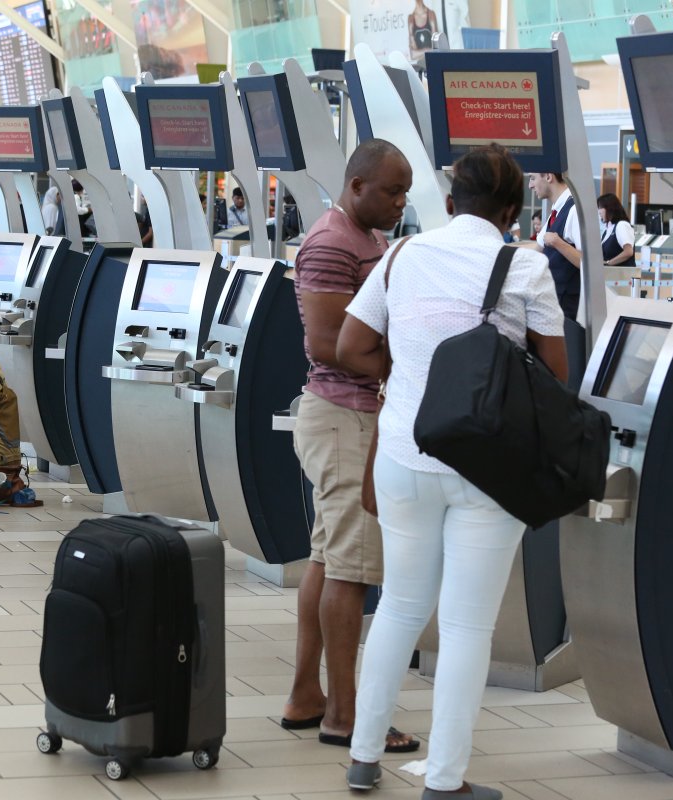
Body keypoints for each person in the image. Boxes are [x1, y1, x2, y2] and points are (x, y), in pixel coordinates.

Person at [337, 144, 568, 800]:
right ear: (513, 211)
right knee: (467, 625)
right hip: (487, 467)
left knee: (401, 607)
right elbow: (556, 376)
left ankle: (361, 759)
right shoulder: (525, 266)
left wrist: (410, 378)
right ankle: (444, 781)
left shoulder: (403, 257)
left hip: (405, 454)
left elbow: (351, 345)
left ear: (447, 202)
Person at [283, 139, 419, 756]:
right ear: (357, 185)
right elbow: (327, 341)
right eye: (392, 190)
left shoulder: (367, 241)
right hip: (347, 419)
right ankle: (345, 715)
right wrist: (411, 358)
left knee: (326, 559)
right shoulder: (334, 242)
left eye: (404, 192)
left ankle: (306, 697)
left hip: (351, 416)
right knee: (352, 571)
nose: (399, 202)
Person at [529, 172, 582, 320]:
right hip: (552, 301)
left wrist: (558, 243)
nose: (530, 185)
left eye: (533, 178)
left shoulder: (574, 210)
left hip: (567, 307)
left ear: (548, 177)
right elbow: (537, 251)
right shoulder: (557, 211)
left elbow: (588, 263)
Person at [598, 193, 635, 267]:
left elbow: (628, 252)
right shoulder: (607, 230)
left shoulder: (621, 225)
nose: (599, 212)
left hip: (622, 276)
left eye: (600, 207)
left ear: (609, 208)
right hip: (611, 276)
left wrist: (609, 263)